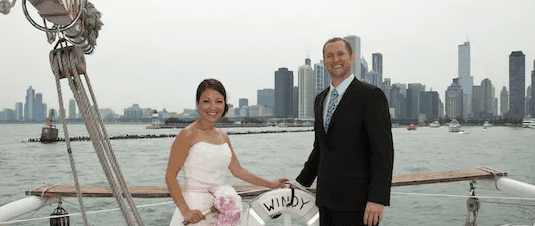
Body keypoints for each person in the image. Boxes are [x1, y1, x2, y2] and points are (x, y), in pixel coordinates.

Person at [293, 37, 395, 226]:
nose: (335, 60)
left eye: (341, 54)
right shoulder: (320, 99)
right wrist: (300, 183)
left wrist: (377, 199)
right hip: (325, 201)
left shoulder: (371, 96)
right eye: (329, 56)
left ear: (352, 57)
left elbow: (383, 153)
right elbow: (320, 148)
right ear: (324, 63)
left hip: (359, 203)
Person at [166, 79, 288, 226]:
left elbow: (238, 171)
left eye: (218, 101)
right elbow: (170, 176)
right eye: (206, 101)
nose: (213, 107)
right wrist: (186, 211)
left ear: (224, 105)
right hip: (195, 210)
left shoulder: (222, 136)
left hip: (221, 210)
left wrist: (270, 184)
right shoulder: (187, 134)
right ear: (197, 103)